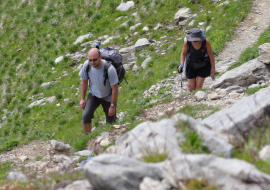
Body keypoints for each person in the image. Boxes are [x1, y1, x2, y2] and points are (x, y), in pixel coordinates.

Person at [79, 48, 119, 134]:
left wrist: (112, 106)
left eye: (94, 60)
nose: (92, 62)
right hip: (94, 95)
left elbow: (115, 89)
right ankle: (87, 138)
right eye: (90, 60)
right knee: (86, 116)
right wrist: (82, 98)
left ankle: (111, 138)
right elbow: (84, 81)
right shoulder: (87, 65)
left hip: (107, 96)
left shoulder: (109, 69)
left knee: (111, 121)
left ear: (100, 57)